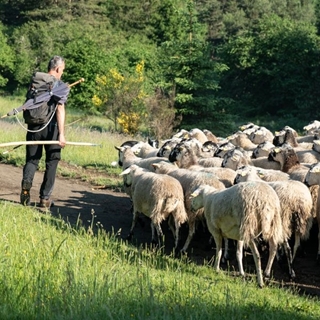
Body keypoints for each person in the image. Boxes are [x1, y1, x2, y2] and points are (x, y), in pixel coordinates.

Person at [20, 55, 66, 208]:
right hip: (51, 128)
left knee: (32, 160)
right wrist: (61, 134)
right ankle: (44, 198)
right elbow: (60, 109)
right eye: (62, 70)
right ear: (58, 68)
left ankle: (25, 191)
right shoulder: (59, 84)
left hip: (33, 126)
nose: (62, 73)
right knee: (52, 161)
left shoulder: (36, 81)